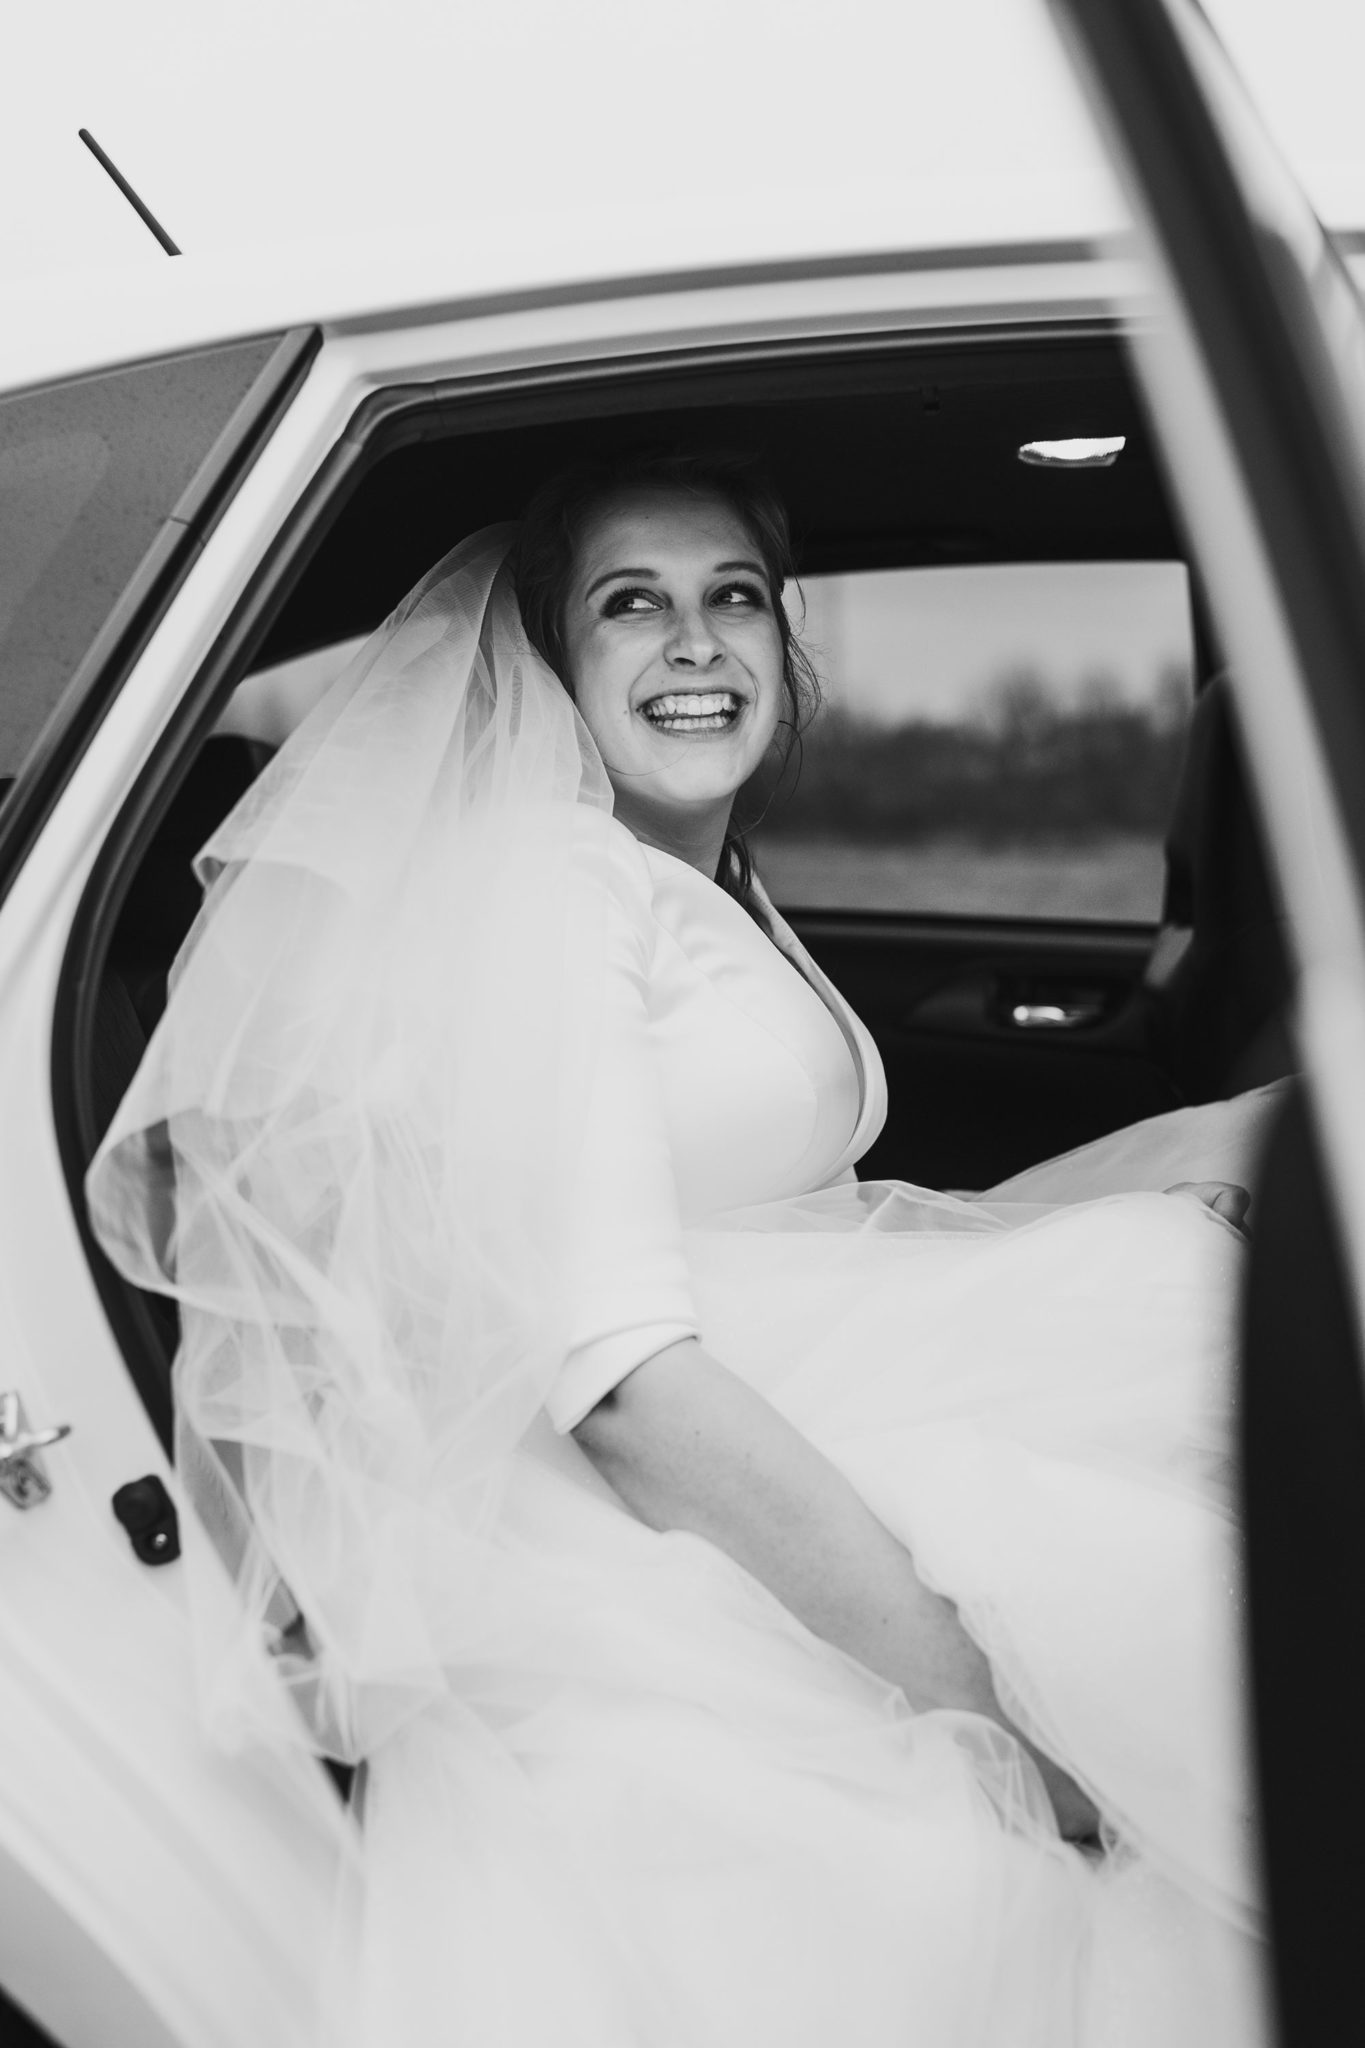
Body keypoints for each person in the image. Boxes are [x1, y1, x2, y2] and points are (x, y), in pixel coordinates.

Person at [88, 452, 1268, 2048]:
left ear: (787, 647)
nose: (696, 641)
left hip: (786, 1414)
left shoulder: (684, 880)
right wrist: (1000, 1720)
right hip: (645, 1550)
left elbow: (802, 1229)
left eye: (736, 597)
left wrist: (1175, 1163)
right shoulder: (557, 882)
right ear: (553, 663)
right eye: (631, 603)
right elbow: (623, 1382)